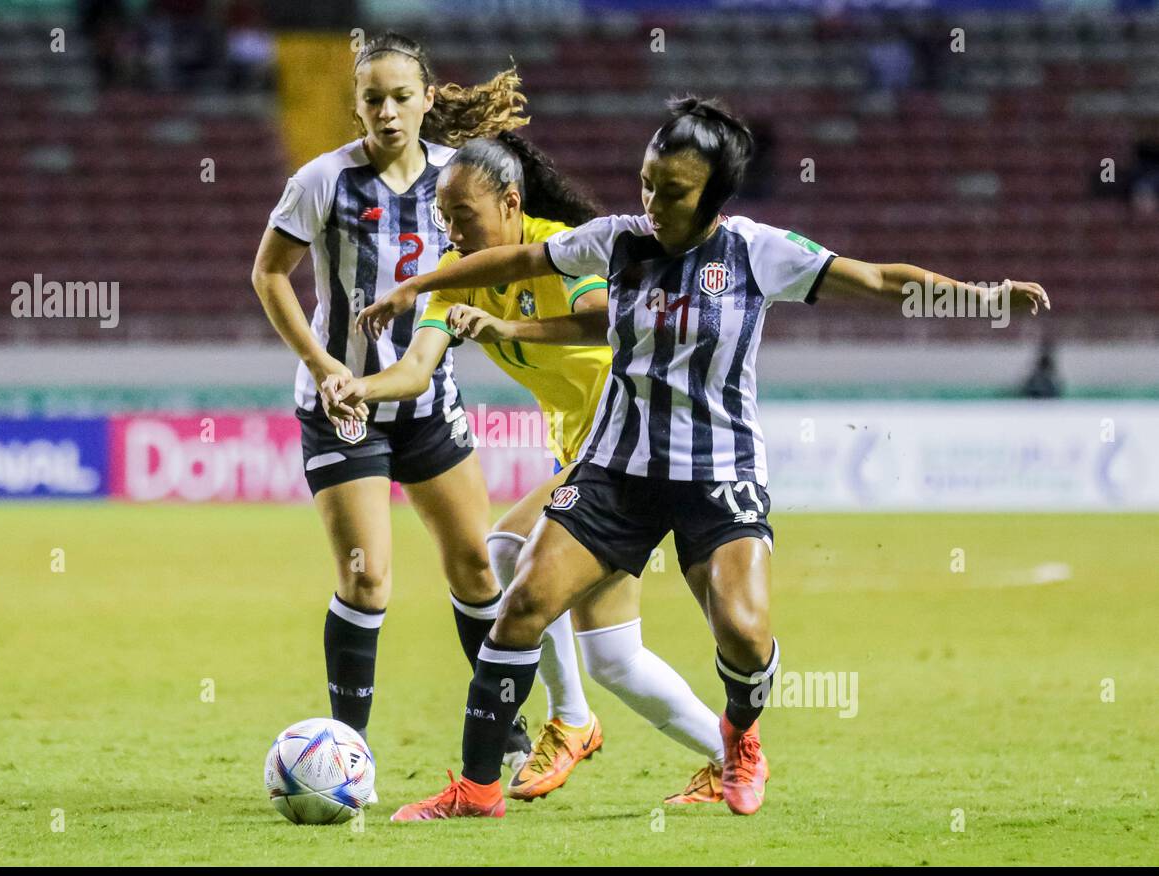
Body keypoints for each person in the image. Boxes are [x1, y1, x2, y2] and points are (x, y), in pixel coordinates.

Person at [358, 95, 1050, 820]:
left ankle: (739, 742)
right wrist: (419, 284)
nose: (653, 201)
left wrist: (980, 298)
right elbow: (526, 256)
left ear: (714, 196)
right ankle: (476, 791)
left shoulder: (758, 252)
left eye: (674, 191)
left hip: (717, 476)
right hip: (616, 470)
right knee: (523, 602)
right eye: (648, 182)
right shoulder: (617, 241)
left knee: (744, 633)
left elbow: (877, 280)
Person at [321, 132, 731, 804]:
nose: (451, 231)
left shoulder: (561, 249)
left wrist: (506, 330)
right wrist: (357, 388)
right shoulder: (457, 278)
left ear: (511, 203)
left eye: (464, 217)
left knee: (509, 543)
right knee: (614, 658)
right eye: (442, 219)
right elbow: (416, 369)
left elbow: (605, 323)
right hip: (587, 452)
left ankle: (569, 721)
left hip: (638, 439)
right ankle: (732, 759)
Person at [250, 32, 538, 768]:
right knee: (366, 577)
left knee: (477, 566)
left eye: (401, 97)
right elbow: (270, 275)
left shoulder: (455, 178)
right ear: (356, 104)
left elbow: (502, 252)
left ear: (428, 100)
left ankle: (500, 730)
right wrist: (321, 368)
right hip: (341, 409)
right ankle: (348, 753)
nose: (386, 111)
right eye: (372, 98)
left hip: (427, 403)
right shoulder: (323, 181)